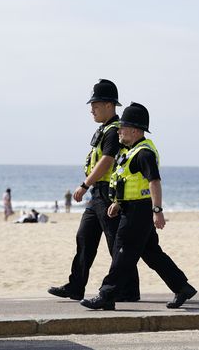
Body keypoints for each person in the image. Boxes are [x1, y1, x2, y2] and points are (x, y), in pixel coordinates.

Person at [80, 102, 197, 310]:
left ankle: (107, 295)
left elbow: (154, 182)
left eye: (122, 127)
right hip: (131, 208)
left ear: (134, 130)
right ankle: (182, 287)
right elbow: (127, 182)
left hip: (139, 212)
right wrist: (117, 203)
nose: (119, 130)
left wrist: (157, 211)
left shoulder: (144, 153)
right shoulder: (131, 151)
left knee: (121, 251)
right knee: (152, 254)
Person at [48, 79, 140, 302]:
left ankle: (128, 290)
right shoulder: (105, 129)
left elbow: (107, 161)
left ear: (109, 105)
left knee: (115, 244)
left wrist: (84, 184)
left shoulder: (114, 131)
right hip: (97, 196)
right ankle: (76, 286)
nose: (92, 109)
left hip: (107, 194)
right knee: (84, 238)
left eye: (96, 105)